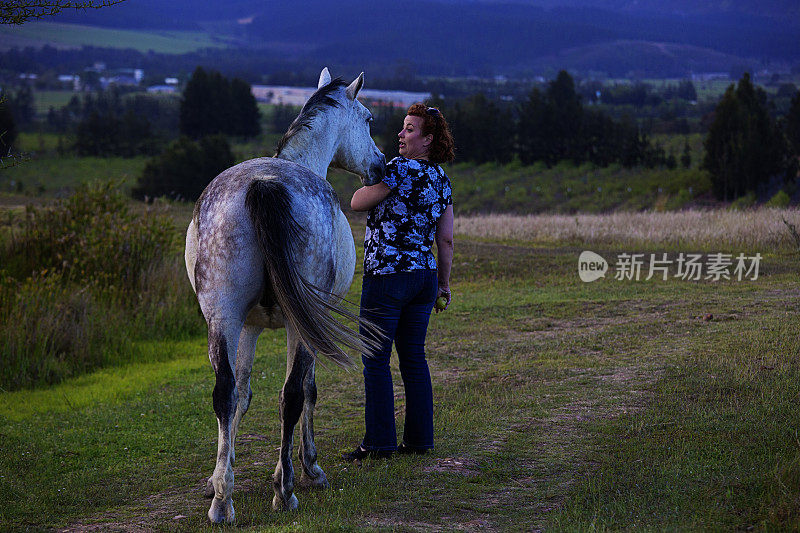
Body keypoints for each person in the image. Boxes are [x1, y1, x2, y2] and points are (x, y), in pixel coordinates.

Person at [344, 103, 455, 461]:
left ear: (428, 139)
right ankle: (419, 440)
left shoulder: (398, 170)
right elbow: (447, 240)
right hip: (423, 277)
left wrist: (368, 182)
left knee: (376, 360)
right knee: (413, 357)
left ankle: (379, 443)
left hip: (388, 278)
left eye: (409, 129)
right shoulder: (441, 178)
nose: (400, 135)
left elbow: (358, 202)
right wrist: (443, 285)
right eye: (403, 128)